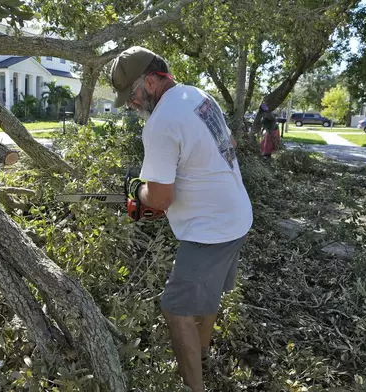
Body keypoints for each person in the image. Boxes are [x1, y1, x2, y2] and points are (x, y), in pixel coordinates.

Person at [109, 46, 253, 392]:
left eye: (133, 94)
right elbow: (228, 142)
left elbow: (158, 200)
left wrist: (137, 195)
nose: (131, 103)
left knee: (175, 309)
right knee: (210, 291)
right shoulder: (198, 95)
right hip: (237, 215)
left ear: (153, 80)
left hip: (210, 230)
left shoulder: (161, 123)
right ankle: (201, 352)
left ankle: (195, 388)